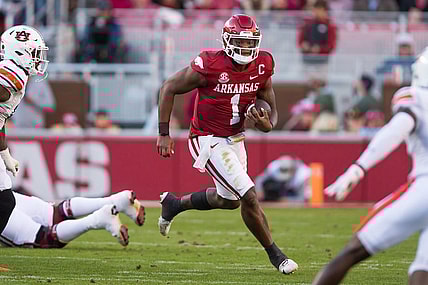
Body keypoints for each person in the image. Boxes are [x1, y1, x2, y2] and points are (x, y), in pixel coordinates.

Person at [155, 14, 298, 275]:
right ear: (228, 41)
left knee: (229, 200)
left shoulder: (263, 63)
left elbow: (271, 109)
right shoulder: (209, 64)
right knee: (250, 196)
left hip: (236, 139)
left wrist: (266, 123)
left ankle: (175, 205)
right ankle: (277, 256)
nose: (246, 48)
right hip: (207, 139)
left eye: (249, 42)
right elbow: (168, 88)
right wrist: (164, 133)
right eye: (240, 42)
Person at [0, 25, 141, 249]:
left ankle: (105, 212)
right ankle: (112, 204)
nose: (39, 59)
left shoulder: (14, 74)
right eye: (35, 53)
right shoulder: (12, 74)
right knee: (47, 219)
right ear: (19, 53)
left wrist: (5, 153)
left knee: (45, 227)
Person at [312, 47, 428, 285]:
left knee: (352, 250)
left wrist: (358, 168)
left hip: (424, 187)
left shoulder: (416, 97)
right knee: (423, 267)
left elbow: (398, 128)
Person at [5, 189, 146, 247]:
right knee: (54, 215)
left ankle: (99, 218)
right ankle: (117, 200)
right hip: (4, 189)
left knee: (43, 239)